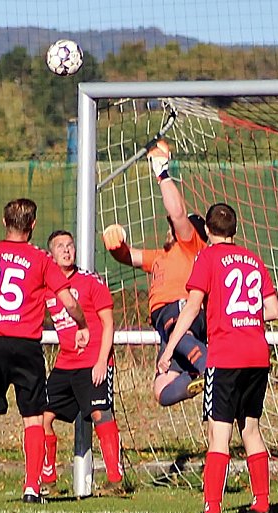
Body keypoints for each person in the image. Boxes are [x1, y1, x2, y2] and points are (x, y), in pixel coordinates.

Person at [0, 198, 90, 504]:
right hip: (26, 346)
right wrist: (82, 325)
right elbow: (68, 301)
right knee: (32, 417)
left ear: (4, 223)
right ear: (33, 225)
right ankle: (31, 488)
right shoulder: (41, 260)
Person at [158, 203, 278, 513]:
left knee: (218, 433)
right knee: (251, 429)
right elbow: (273, 309)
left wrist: (169, 348)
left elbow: (192, 307)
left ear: (208, 232)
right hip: (257, 353)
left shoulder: (207, 258)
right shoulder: (253, 259)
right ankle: (263, 506)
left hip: (226, 356)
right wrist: (243, 316)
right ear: (235, 230)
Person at [102, 139, 209, 407]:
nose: (170, 227)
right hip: (165, 324)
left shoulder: (191, 245)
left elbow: (178, 213)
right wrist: (115, 245)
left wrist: (161, 172)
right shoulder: (160, 256)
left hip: (180, 314)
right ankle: (199, 375)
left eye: (173, 226)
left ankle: (214, 370)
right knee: (162, 389)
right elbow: (129, 256)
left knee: (182, 339)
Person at [41, 230, 125, 497]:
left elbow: (108, 322)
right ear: (51, 254)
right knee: (42, 417)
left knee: (101, 414)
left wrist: (102, 361)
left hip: (93, 361)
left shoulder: (91, 281)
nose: (66, 250)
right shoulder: (46, 286)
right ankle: (48, 480)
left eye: (70, 245)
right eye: (60, 247)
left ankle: (115, 480)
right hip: (65, 362)